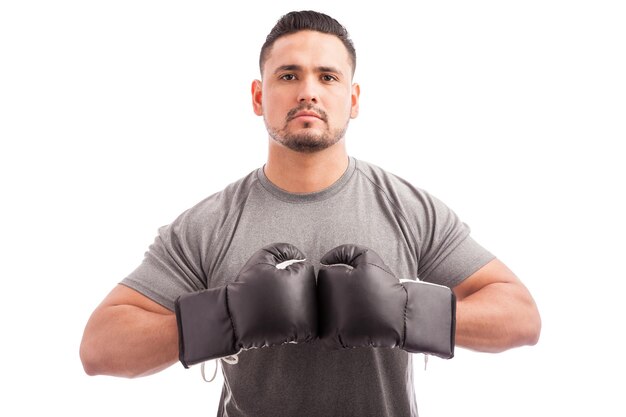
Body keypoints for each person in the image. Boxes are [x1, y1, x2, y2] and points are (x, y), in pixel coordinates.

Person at [80, 10, 541, 417]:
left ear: (353, 99)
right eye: (288, 76)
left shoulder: (408, 209)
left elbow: (520, 317)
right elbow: (100, 348)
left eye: (327, 76)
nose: (308, 92)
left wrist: (407, 313)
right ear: (259, 97)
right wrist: (227, 316)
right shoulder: (209, 223)